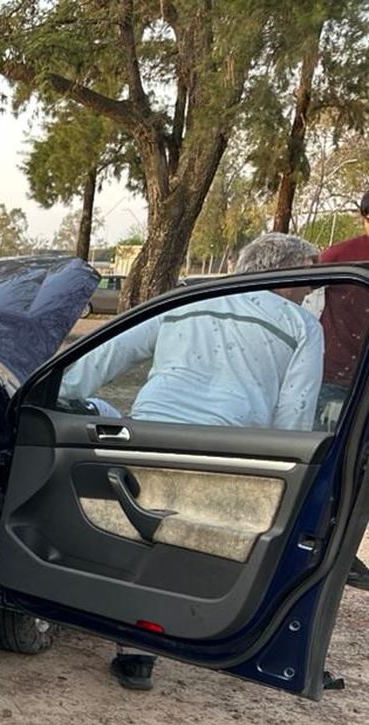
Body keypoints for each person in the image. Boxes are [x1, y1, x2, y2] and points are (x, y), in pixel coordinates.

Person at [59, 232, 324, 690]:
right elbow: (294, 412)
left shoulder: (186, 300)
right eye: (308, 271)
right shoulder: (302, 326)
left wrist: (52, 391)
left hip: (150, 436)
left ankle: (133, 649)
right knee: (191, 549)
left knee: (139, 537)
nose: (312, 284)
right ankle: (191, 632)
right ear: (285, 270)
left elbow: (109, 354)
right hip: (227, 450)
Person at [317, 190, 369, 590]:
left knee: (332, 464)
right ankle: (346, 544)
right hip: (356, 378)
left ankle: (327, 545)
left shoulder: (335, 256)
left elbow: (307, 310)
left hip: (335, 377)